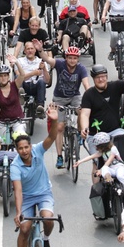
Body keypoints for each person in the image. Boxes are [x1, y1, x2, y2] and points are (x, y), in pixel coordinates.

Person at [33, 40, 90, 169]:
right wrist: (40, 50)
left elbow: (86, 85)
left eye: (75, 58)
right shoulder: (59, 64)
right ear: (66, 58)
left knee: (82, 111)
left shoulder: (81, 69)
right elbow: (47, 59)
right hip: (59, 98)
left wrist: (91, 96)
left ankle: (80, 133)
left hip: (75, 97)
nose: (72, 61)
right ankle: (59, 156)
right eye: (70, 58)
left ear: (78, 59)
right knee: (59, 127)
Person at [11, 105, 60, 247]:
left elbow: (52, 137)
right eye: (21, 148)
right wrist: (19, 212)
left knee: (48, 219)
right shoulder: (15, 166)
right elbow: (18, 191)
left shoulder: (38, 150)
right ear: (17, 149)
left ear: (30, 146)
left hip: (44, 193)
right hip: (26, 198)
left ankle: (45, 239)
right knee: (24, 229)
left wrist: (55, 120)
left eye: (26, 147)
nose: (24, 151)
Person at [79, 62, 124, 177]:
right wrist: (84, 128)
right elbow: (85, 115)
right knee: (97, 164)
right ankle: (97, 192)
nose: (101, 79)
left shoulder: (115, 86)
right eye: (98, 77)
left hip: (115, 131)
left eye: (103, 76)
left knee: (122, 149)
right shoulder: (89, 94)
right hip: (96, 135)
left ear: (106, 76)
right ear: (93, 79)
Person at [0, 58, 28, 136]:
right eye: (1, 76)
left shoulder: (14, 85)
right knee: (0, 144)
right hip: (3, 122)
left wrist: (16, 62)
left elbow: (22, 75)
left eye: (5, 75)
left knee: (21, 140)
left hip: (17, 121)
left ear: (8, 76)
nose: (3, 78)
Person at [16, 41, 51, 117]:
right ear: (25, 51)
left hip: (36, 86)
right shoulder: (19, 61)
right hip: (24, 85)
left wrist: (44, 69)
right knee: (18, 78)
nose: (30, 51)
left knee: (42, 81)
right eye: (28, 49)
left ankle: (40, 107)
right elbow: (18, 78)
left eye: (32, 48)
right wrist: (33, 73)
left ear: (35, 50)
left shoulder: (41, 61)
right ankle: (21, 96)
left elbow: (48, 81)